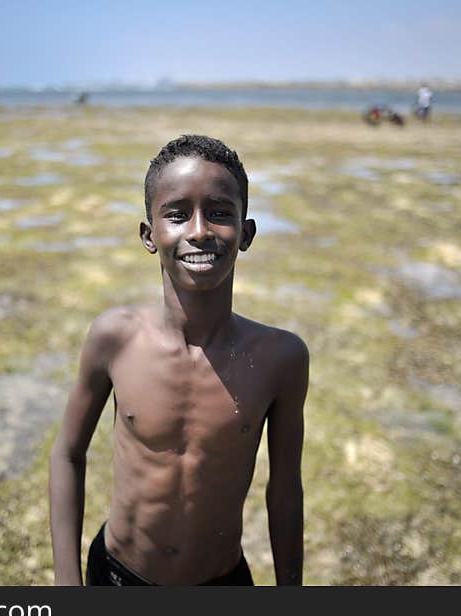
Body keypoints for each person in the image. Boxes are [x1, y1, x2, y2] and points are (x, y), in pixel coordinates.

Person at [49, 135, 309, 586]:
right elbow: (68, 454)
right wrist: (67, 582)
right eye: (177, 214)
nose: (200, 230)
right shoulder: (115, 338)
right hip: (118, 574)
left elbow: (285, 490)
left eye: (220, 212)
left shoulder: (280, 359)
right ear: (150, 235)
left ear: (245, 233)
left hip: (220, 578)